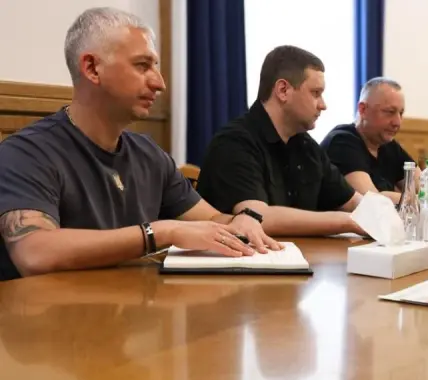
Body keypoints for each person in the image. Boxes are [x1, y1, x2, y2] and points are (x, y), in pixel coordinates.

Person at [0, 8, 279, 282]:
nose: (160, 83)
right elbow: (34, 253)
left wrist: (241, 219)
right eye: (142, 66)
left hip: (131, 306)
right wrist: (159, 232)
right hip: (54, 311)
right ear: (92, 68)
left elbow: (212, 218)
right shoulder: (26, 153)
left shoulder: (148, 153)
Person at [196, 45, 365, 236]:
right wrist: (348, 222)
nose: (323, 105)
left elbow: (352, 202)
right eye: (316, 93)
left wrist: (380, 213)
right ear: (283, 90)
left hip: (298, 252)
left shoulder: (306, 145)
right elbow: (256, 217)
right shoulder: (233, 142)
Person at [320, 77, 419, 204]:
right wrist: (417, 200)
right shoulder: (341, 141)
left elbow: (426, 188)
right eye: (390, 112)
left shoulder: (388, 144)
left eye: (401, 113)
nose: (397, 122)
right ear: (363, 110)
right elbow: (371, 200)